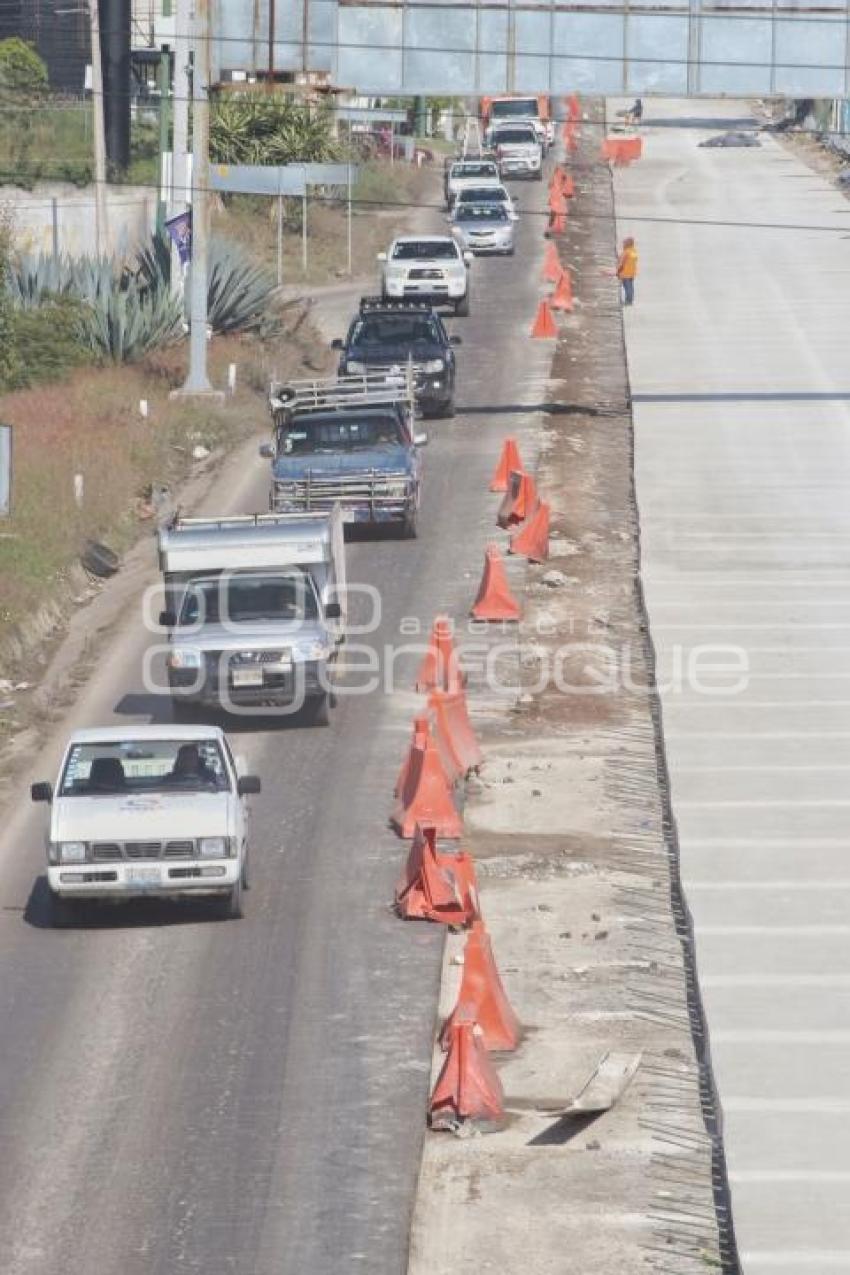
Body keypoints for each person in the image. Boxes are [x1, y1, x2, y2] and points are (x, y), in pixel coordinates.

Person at [616, 237, 638, 306]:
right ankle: (630, 299)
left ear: (627, 244)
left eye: (624, 243)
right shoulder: (633, 251)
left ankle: (628, 301)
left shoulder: (626, 252)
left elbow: (621, 263)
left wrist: (617, 271)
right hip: (632, 273)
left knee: (627, 287)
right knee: (630, 287)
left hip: (625, 273)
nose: (623, 245)